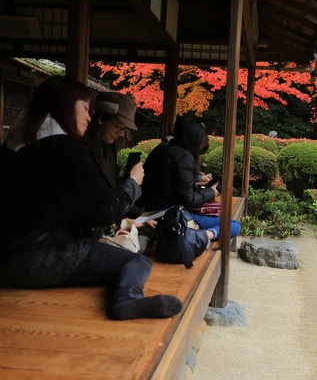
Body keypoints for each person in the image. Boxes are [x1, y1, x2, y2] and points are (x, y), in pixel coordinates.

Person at [0, 76, 184, 321]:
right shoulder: (67, 149)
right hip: (40, 257)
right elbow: (106, 210)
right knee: (137, 264)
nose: (88, 116)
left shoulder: (16, 144)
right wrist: (133, 182)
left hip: (5, 256)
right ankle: (127, 300)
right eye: (85, 108)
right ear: (64, 105)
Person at [140, 116, 241, 240]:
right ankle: (203, 236)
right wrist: (212, 191)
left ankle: (196, 231)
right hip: (170, 214)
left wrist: (198, 182)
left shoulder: (161, 149)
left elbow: (173, 184)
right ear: (194, 140)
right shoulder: (184, 157)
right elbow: (188, 200)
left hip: (151, 210)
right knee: (233, 225)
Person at [86, 91, 144, 220]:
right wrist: (133, 182)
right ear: (101, 118)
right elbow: (102, 206)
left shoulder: (107, 145)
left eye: (123, 129)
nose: (120, 133)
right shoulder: (84, 149)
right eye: (118, 126)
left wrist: (138, 216)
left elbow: (113, 184)